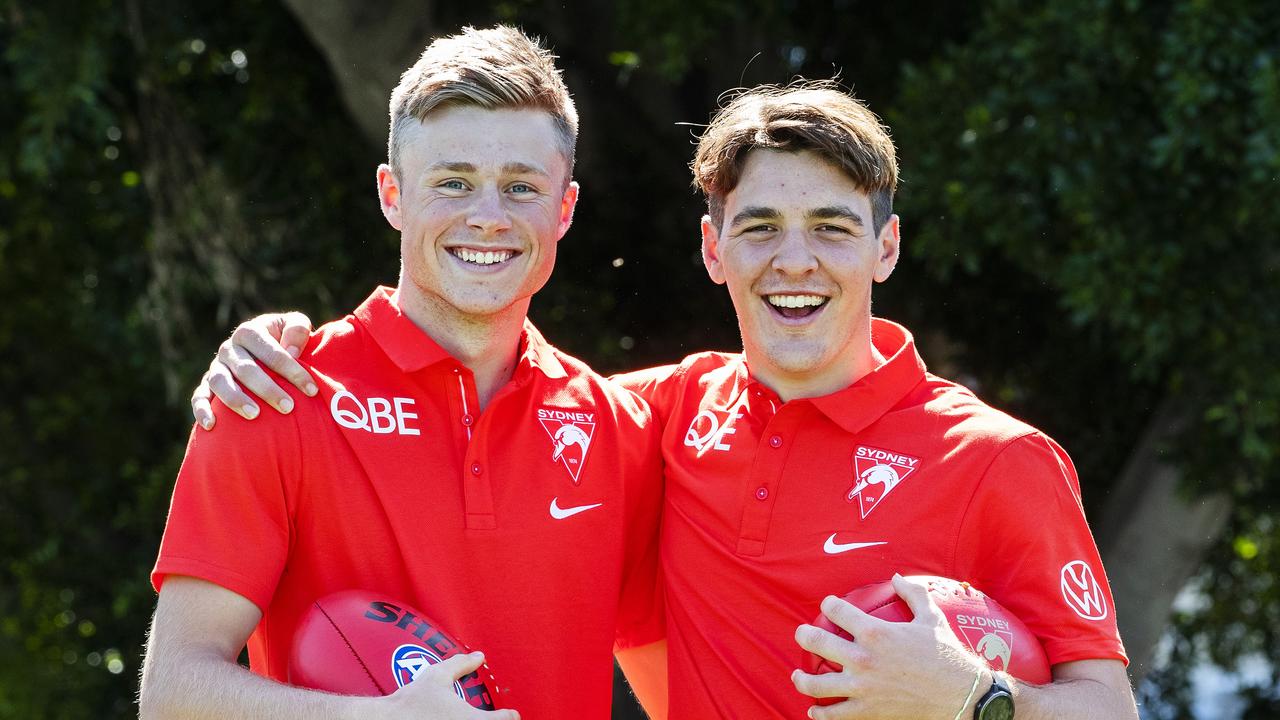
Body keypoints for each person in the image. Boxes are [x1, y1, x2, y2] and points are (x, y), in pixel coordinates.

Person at [190, 82, 1139, 719]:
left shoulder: (997, 458)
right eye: (759, 226)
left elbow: (1108, 703)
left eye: (833, 228)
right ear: (712, 250)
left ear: (884, 250)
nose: (794, 260)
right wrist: (266, 350)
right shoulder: (661, 417)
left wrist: (973, 697)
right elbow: (484, 390)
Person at [139, 26, 667, 720]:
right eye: (454, 183)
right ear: (392, 195)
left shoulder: (619, 428)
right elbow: (173, 691)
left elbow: (675, 689)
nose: (488, 217)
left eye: (520, 187)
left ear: (564, 208)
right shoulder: (276, 394)